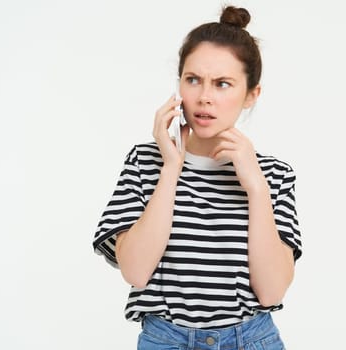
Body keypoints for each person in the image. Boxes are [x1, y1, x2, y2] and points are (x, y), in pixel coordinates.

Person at [93, 6, 302, 349]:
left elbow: (272, 290)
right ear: (179, 85)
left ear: (251, 94)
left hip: (250, 340)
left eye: (222, 84)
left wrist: (256, 188)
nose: (205, 96)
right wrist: (171, 167)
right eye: (193, 80)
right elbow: (135, 271)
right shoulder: (145, 162)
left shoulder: (274, 175)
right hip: (166, 340)